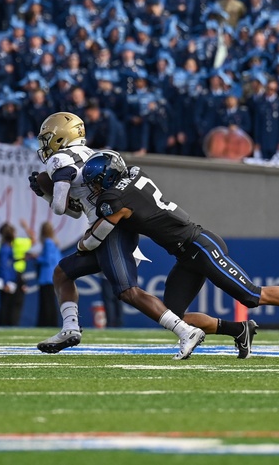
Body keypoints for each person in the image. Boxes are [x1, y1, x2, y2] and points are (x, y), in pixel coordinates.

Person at [78, 150, 279, 346]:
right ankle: (238, 330)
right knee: (174, 316)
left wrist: (81, 242)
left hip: (199, 245)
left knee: (251, 295)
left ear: (109, 178)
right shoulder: (136, 175)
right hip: (186, 253)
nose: (93, 188)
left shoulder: (116, 198)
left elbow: (95, 239)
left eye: (96, 181)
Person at [29, 115, 209, 360]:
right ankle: (70, 328)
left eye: (48, 138)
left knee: (128, 291)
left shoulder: (59, 159)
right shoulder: (89, 153)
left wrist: (46, 193)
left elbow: (61, 208)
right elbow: (76, 210)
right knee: (63, 272)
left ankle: (185, 331)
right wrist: (47, 193)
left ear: (62, 136)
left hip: (108, 230)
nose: (45, 145)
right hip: (111, 224)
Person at [27, 221, 61, 327]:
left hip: (46, 276)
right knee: (50, 301)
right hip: (52, 276)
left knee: (46, 302)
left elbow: (47, 260)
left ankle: (47, 322)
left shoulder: (48, 243)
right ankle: (50, 322)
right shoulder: (54, 243)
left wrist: (36, 257)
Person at [0, 222, 26, 326]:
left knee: (7, 304)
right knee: (7, 304)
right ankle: (5, 324)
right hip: (7, 280)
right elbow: (4, 266)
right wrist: (6, 282)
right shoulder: (5, 248)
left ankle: (5, 324)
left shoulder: (5, 247)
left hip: (9, 278)